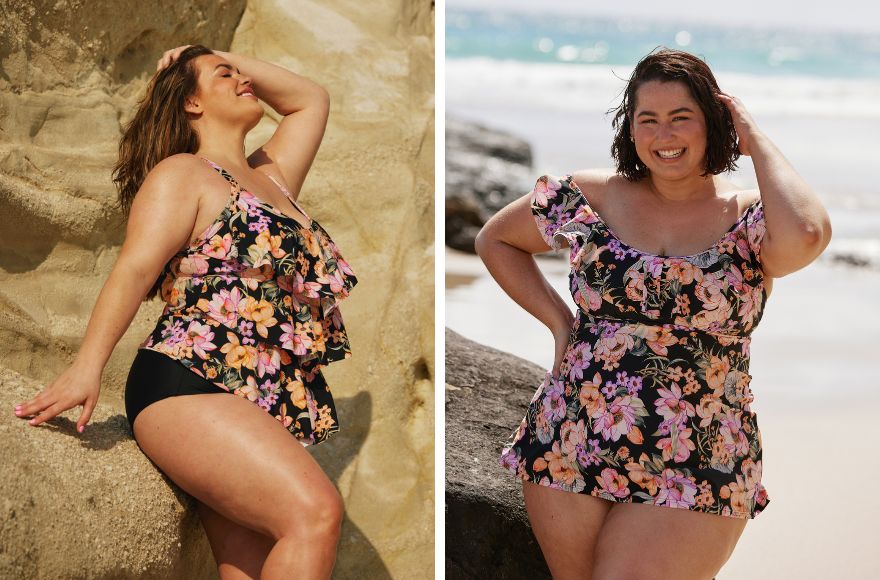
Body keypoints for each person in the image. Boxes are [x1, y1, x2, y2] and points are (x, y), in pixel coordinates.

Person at [475, 47, 831, 579]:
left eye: (681, 118)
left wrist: (753, 137)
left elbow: (806, 234)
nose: (664, 135)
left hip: (700, 451)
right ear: (632, 128)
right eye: (649, 120)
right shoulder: (591, 197)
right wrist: (560, 323)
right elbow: (497, 240)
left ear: (714, 123)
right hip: (572, 433)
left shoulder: (753, 217)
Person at [12, 44, 357, 579]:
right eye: (226, 76)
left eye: (244, 73)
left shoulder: (275, 176)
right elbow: (133, 269)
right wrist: (88, 367)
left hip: (258, 395)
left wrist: (219, 55)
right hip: (190, 381)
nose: (245, 80)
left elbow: (310, 100)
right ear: (191, 103)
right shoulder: (185, 173)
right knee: (315, 512)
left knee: (251, 563)